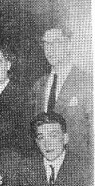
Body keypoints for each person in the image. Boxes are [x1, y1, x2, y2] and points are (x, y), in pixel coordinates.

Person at [29, 28, 92, 166]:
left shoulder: (87, 82)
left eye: (56, 42)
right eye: (46, 43)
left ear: (68, 45)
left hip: (78, 166)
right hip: (45, 166)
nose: (50, 49)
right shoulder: (38, 85)